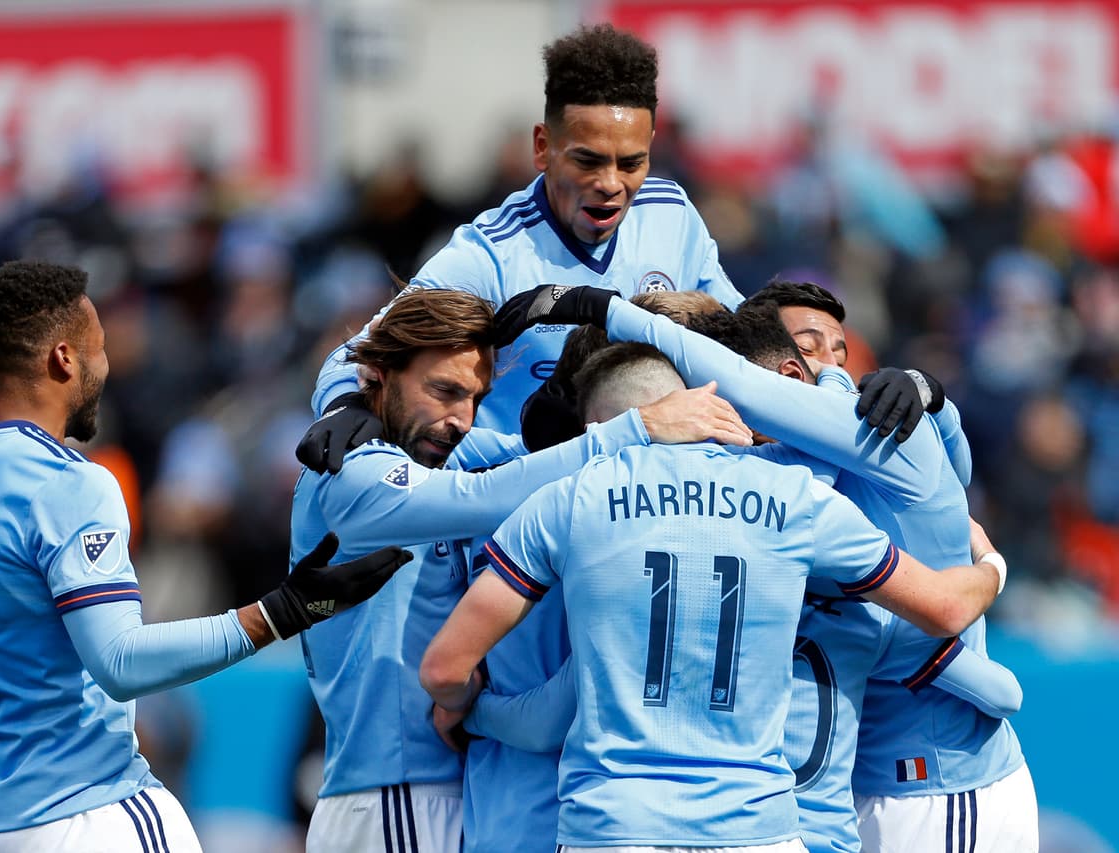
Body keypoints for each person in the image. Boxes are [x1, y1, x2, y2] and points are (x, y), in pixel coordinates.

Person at [0, 260, 413, 852]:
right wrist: (279, 612)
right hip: (92, 817)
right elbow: (120, 661)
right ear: (64, 359)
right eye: (99, 349)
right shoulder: (66, 481)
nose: (105, 367)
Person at [497, 284, 1038, 851]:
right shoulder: (784, 497)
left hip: (932, 782)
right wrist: (987, 572)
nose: (829, 363)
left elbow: (954, 492)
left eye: (838, 351)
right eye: (810, 347)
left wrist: (936, 401)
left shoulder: (865, 440)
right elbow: (968, 651)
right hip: (804, 819)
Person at [290, 287, 750, 853]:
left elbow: (532, 457)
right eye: (444, 391)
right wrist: (638, 428)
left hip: (441, 786)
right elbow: (484, 494)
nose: (459, 419)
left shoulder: (443, 447)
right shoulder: (347, 473)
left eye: (475, 398)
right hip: (393, 792)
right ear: (379, 375)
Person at [297, 22, 746, 474]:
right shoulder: (489, 254)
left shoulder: (672, 215)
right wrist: (346, 405)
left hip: (651, 493)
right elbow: (359, 352)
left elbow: (740, 337)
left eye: (631, 163)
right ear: (543, 147)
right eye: (587, 161)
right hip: (520, 505)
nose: (611, 184)